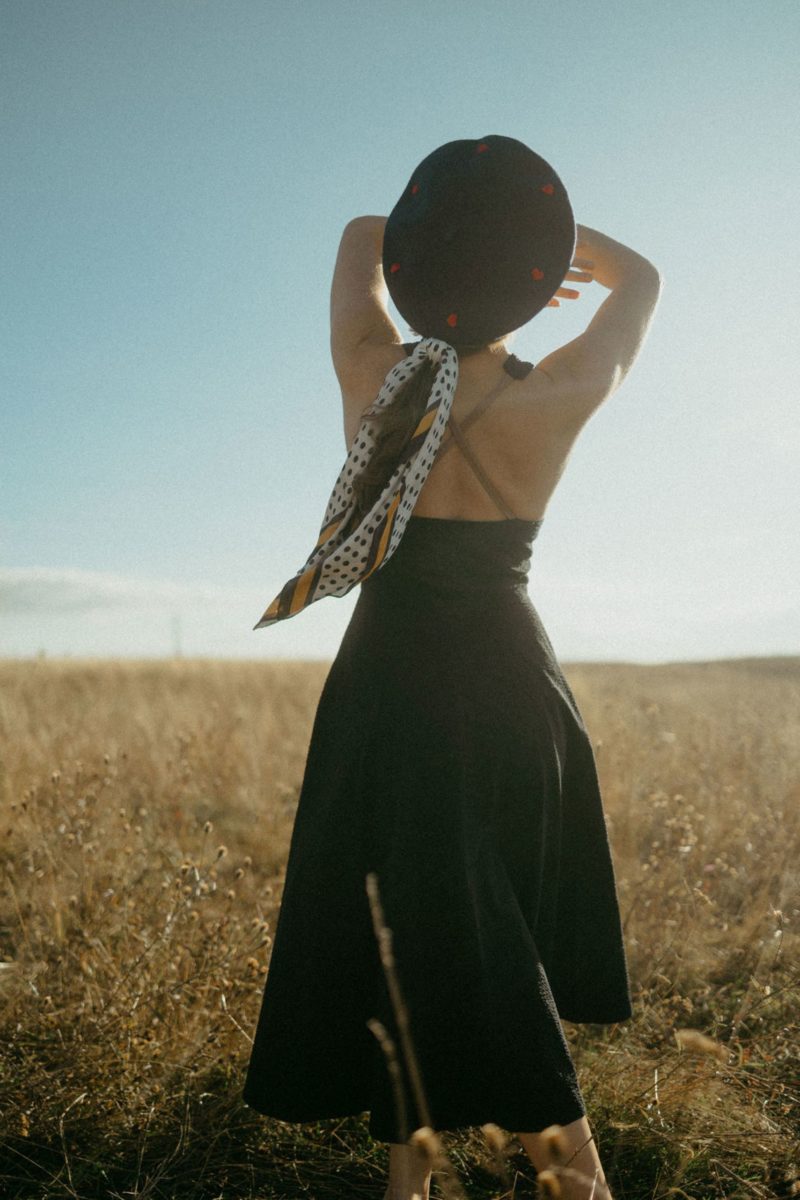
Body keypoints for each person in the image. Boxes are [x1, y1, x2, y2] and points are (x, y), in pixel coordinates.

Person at [242, 135, 662, 1200]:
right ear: (523, 287)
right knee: (456, 926)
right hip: (512, 689)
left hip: (388, 682)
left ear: (420, 274)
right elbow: (641, 279)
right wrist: (549, 244)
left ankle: (580, 1183)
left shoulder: (371, 373)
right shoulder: (555, 392)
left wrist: (458, 242)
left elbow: (359, 234)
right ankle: (413, 1183)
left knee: (438, 926)